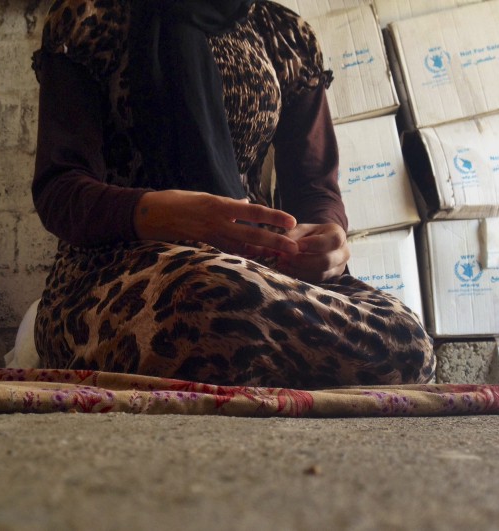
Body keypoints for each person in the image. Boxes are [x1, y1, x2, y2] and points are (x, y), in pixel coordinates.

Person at [31, 0, 435, 388]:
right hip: (113, 268)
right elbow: (59, 188)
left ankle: (251, 354)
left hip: (253, 263)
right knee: (213, 299)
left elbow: (314, 187)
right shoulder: (91, 15)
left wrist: (325, 238)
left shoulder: (285, 35)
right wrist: (168, 215)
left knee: (408, 343)